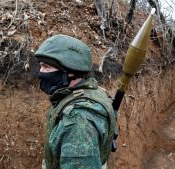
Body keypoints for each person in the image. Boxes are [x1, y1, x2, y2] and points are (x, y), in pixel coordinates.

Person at [35, 34, 116, 169]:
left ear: (70, 71)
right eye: (41, 66)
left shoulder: (78, 119)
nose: (40, 73)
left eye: (46, 67)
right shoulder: (91, 90)